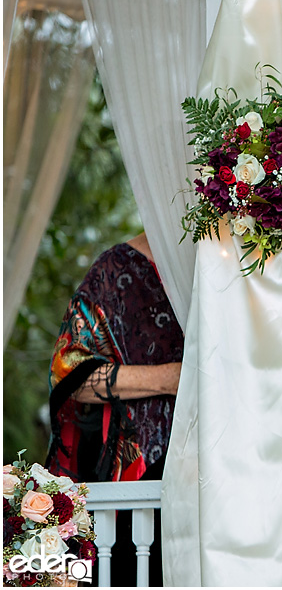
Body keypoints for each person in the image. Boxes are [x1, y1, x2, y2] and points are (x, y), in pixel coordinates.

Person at [46, 231, 183, 586]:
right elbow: (68, 374)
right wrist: (170, 379)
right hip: (141, 489)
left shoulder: (249, 261)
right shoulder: (117, 269)